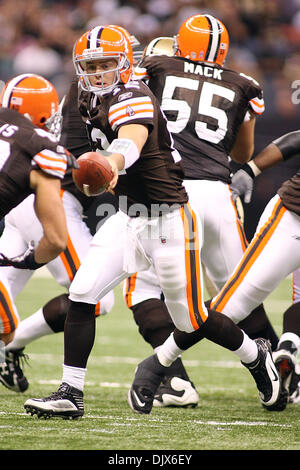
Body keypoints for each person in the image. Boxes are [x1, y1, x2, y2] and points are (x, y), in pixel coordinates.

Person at [23, 25, 283, 420]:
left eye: (108, 63)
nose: (99, 73)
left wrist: (109, 163)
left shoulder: (133, 95)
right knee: (82, 294)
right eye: (91, 66)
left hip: (168, 219)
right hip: (128, 216)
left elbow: (130, 140)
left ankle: (255, 355)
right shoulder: (88, 100)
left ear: (127, 62)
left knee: (191, 317)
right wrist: (94, 180)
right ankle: (70, 392)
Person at [123, 15, 279, 407]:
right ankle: (282, 369)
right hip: (218, 195)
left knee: (145, 289)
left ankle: (171, 379)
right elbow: (241, 153)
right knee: (239, 293)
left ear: (180, 44)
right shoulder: (244, 84)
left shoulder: (157, 66)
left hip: (168, 190)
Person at [0, 86, 114, 393]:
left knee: (4, 291)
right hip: (45, 200)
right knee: (98, 296)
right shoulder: (49, 140)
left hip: (15, 203)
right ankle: (8, 349)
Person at [0, 73, 78, 353]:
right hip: (30, 212)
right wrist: (32, 260)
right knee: (5, 331)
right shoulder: (41, 148)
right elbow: (56, 240)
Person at [228, 129, 300, 403]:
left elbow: (294, 140)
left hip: (290, 215)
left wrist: (250, 168)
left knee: (231, 303)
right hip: (291, 215)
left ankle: (162, 360)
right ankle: (289, 347)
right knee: (232, 304)